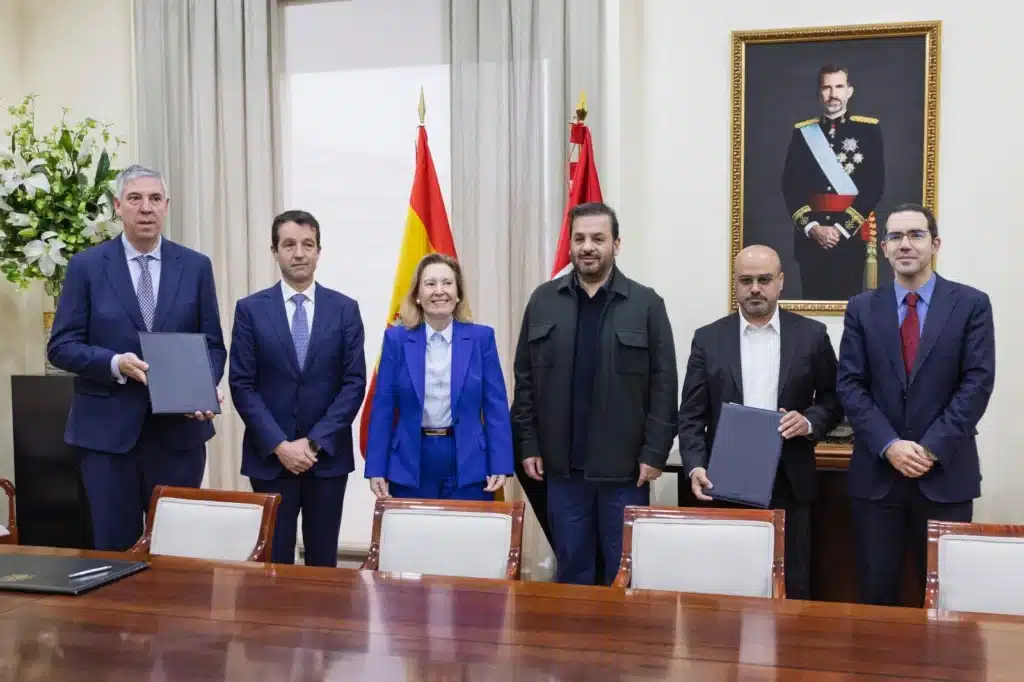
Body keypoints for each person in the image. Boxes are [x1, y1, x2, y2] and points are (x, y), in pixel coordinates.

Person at [46, 164, 226, 551]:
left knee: (177, 551)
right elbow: (61, 345)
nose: (146, 208)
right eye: (135, 198)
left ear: (167, 206)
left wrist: (203, 386)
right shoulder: (87, 267)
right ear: (118, 206)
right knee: (116, 552)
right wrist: (114, 364)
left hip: (178, 435)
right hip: (107, 438)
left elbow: (212, 344)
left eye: (155, 199)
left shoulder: (195, 266)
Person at [511, 201, 677, 586]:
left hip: (626, 474)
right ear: (570, 244)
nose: (588, 247)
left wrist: (655, 454)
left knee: (624, 574)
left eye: (598, 238)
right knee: (573, 573)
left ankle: (622, 648)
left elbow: (664, 386)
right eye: (580, 238)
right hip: (562, 471)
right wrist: (528, 444)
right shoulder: (543, 300)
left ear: (616, 244)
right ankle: (574, 647)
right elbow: (525, 381)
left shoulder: (646, 304)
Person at [837, 203, 995, 606]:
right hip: (877, 479)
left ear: (935, 243)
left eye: (916, 235)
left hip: (945, 475)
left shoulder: (971, 304)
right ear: (885, 248)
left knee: (947, 599)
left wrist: (929, 448)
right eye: (895, 237)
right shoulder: (860, 308)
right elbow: (851, 385)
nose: (905, 244)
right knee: (876, 596)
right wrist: (890, 445)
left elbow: (976, 383)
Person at [678, 245, 843, 599]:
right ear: (735, 285)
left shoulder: (812, 336)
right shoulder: (708, 338)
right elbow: (691, 414)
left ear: (780, 282)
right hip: (725, 482)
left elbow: (835, 399)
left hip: (791, 479)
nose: (755, 288)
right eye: (746, 280)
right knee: (729, 588)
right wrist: (694, 467)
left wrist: (809, 421)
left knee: (792, 585)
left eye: (764, 280)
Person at [229, 210, 366, 566]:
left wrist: (313, 441)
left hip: (327, 460)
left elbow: (353, 384)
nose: (299, 253)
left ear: (319, 251)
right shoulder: (250, 310)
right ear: (274, 251)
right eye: (289, 244)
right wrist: (280, 445)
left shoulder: (345, 310)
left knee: (323, 563)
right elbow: (242, 384)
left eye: (307, 244)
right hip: (270, 461)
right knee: (273, 562)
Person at [364, 253, 513, 500]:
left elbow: (495, 405)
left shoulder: (481, 339)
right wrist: (376, 468)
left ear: (458, 294)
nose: (439, 291)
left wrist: (501, 463)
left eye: (447, 283)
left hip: (469, 460)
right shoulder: (396, 340)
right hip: (411, 460)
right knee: (416, 537)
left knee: (464, 536)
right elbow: (383, 408)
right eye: (430, 284)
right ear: (417, 296)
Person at [782, 63, 885, 301]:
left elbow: (874, 186)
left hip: (849, 238)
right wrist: (814, 228)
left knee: (850, 309)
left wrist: (840, 229)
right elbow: (790, 187)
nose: (833, 93)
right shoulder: (803, 133)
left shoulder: (868, 130)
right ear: (819, 93)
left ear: (850, 90)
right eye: (827, 87)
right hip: (811, 240)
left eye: (839, 86)